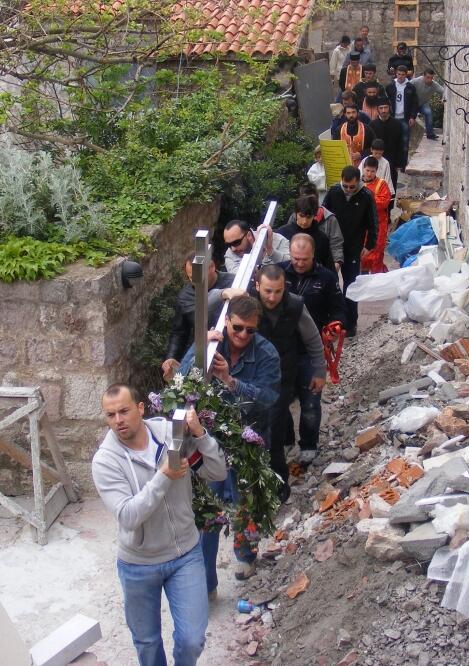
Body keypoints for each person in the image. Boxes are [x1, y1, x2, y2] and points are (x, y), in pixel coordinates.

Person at [93, 384, 227, 666]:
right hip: (138, 565)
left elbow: (216, 472)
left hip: (185, 555)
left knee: (192, 640)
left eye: (124, 411)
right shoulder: (105, 461)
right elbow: (129, 516)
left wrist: (201, 435)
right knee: (148, 643)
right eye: (110, 414)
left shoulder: (171, 436)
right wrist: (164, 474)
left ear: (140, 409)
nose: (118, 420)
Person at [179, 295, 280, 585]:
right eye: (237, 328)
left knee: (245, 505)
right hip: (211, 441)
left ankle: (246, 558)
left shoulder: (266, 354)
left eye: (250, 330)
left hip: (249, 442)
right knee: (208, 510)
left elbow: (269, 398)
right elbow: (181, 384)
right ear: (226, 322)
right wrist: (199, 349)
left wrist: (231, 382)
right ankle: (206, 580)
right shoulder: (212, 344)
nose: (243, 335)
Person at [214, 267, 325, 495]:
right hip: (249, 376)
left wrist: (319, 370)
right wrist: (222, 293)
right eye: (267, 291)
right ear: (256, 286)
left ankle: (278, 486)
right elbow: (203, 305)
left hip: (282, 375)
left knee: (272, 431)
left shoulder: (294, 306)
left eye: (278, 291)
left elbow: (313, 338)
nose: (272, 297)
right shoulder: (244, 303)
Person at [280, 234, 346, 462]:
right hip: (282, 349)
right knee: (280, 400)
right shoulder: (278, 274)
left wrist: (336, 325)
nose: (299, 263)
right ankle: (285, 440)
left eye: (304, 259)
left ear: (313, 256)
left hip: (311, 350)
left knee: (310, 400)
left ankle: (309, 444)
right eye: (295, 258)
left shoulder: (326, 278)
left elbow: (339, 309)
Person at [322, 165, 377, 337]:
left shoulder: (366, 196)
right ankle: (331, 319)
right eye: (345, 186)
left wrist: (369, 245)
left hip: (354, 245)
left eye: (352, 187)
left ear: (358, 182)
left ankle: (350, 322)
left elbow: (373, 223)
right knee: (329, 282)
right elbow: (323, 214)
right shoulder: (334, 192)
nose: (348, 190)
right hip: (333, 245)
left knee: (351, 285)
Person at [162, 252, 235, 380]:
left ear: (212, 267)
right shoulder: (185, 297)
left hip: (233, 351)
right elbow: (179, 332)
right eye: (191, 278)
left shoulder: (234, 282)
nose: (195, 282)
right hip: (203, 355)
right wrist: (171, 357)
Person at [289, 182, 345, 273]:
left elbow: (336, 242)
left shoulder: (329, 219)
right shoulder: (293, 218)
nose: (304, 221)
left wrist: (337, 262)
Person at [276, 194, 335, 269]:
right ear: (296, 213)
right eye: (301, 216)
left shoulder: (322, 238)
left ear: (314, 215)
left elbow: (329, 268)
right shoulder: (282, 233)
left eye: (308, 217)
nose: (304, 221)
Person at [360, 156, 393, 274]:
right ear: (363, 169)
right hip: (361, 227)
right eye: (367, 170)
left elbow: (384, 202)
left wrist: (365, 202)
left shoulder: (382, 184)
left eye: (372, 171)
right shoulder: (357, 183)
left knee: (376, 254)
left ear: (376, 171)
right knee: (362, 254)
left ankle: (377, 281)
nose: (369, 174)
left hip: (378, 226)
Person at [384, 66, 419, 172]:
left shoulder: (410, 87)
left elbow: (414, 103)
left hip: (405, 118)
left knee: (404, 142)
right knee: (392, 141)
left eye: (403, 74)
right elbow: (386, 101)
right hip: (393, 118)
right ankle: (392, 164)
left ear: (406, 75)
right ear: (396, 74)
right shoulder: (390, 86)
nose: (400, 76)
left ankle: (403, 165)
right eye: (398, 74)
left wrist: (413, 116)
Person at [222, 219, 290, 273]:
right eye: (228, 245)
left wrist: (271, 251)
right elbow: (239, 278)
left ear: (248, 235)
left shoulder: (277, 239)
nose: (233, 249)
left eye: (236, 243)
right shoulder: (229, 254)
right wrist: (255, 252)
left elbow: (294, 264)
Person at [370, 99, 405, 175]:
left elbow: (401, 144)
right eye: (381, 108)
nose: (383, 110)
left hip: (392, 161)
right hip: (376, 161)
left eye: (385, 107)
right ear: (377, 109)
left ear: (389, 108)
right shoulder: (372, 125)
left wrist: (399, 163)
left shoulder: (397, 124)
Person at [410, 69, 445, 140]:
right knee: (409, 117)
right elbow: (406, 87)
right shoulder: (416, 81)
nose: (430, 80)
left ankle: (430, 134)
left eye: (431, 78)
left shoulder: (434, 85)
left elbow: (444, 91)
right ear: (423, 76)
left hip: (423, 103)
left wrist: (443, 98)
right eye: (428, 77)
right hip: (412, 104)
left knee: (428, 113)